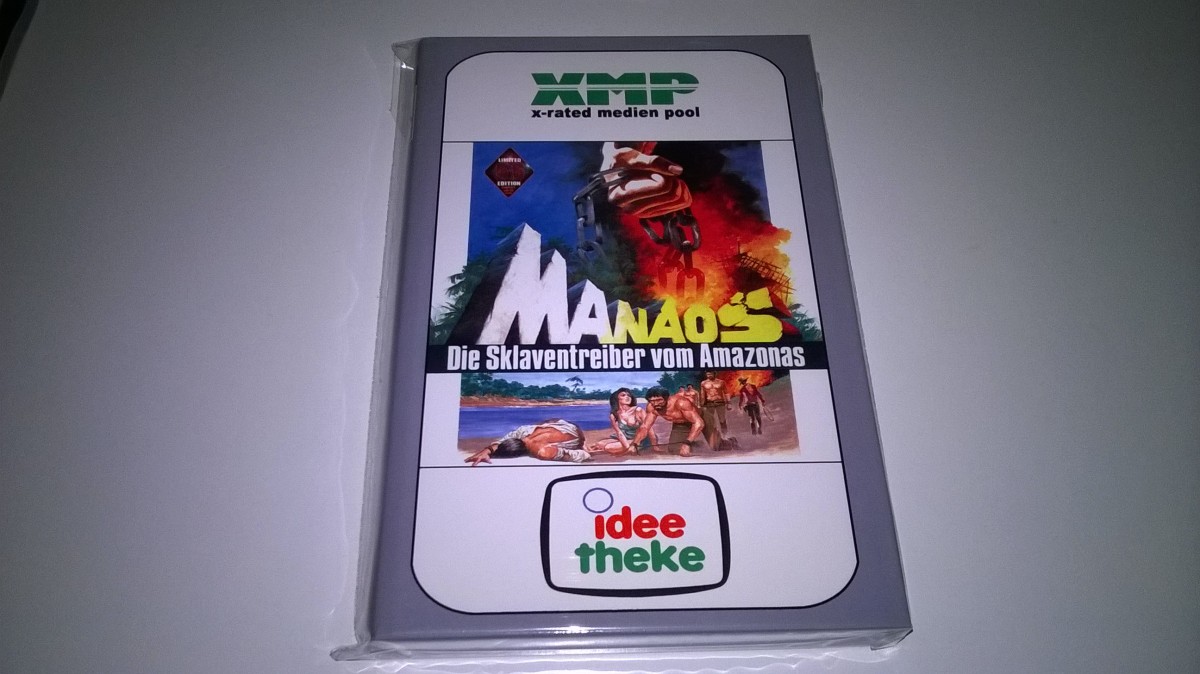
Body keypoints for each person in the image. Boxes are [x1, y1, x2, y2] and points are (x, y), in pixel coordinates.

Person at [465, 419, 589, 466]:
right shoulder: (523, 431)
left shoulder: (542, 451)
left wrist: (585, 451)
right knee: (544, 425)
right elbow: (503, 441)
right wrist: (488, 450)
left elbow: (577, 455)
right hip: (563, 424)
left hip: (575, 435)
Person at [630, 386, 706, 457]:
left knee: (712, 445)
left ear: (667, 398)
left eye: (659, 400)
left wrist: (687, 443)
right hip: (681, 424)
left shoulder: (681, 403)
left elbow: (699, 423)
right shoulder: (651, 407)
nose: (656, 404)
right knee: (674, 450)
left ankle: (694, 443)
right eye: (652, 401)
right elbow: (645, 427)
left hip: (701, 418)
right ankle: (696, 444)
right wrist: (635, 444)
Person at [589, 388, 656, 455]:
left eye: (629, 395)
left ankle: (603, 451)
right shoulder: (614, 415)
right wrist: (626, 446)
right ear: (617, 399)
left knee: (608, 447)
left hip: (639, 439)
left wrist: (654, 445)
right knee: (599, 444)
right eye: (623, 395)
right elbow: (619, 433)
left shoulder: (638, 410)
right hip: (625, 438)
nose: (627, 397)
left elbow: (649, 428)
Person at [698, 370, 733, 449]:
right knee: (711, 422)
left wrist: (729, 403)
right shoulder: (703, 383)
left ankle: (725, 435)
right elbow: (703, 394)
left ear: (714, 374)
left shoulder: (721, 382)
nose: (709, 375)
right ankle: (714, 438)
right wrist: (701, 405)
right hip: (709, 403)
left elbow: (726, 392)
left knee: (722, 420)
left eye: (710, 374)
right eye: (707, 374)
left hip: (720, 402)